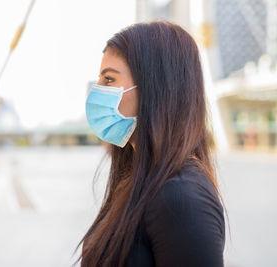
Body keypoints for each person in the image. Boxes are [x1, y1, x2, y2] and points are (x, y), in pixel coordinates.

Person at [74, 21, 227, 267]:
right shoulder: (141, 179)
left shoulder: (180, 197)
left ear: (155, 87)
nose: (97, 92)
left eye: (109, 80)